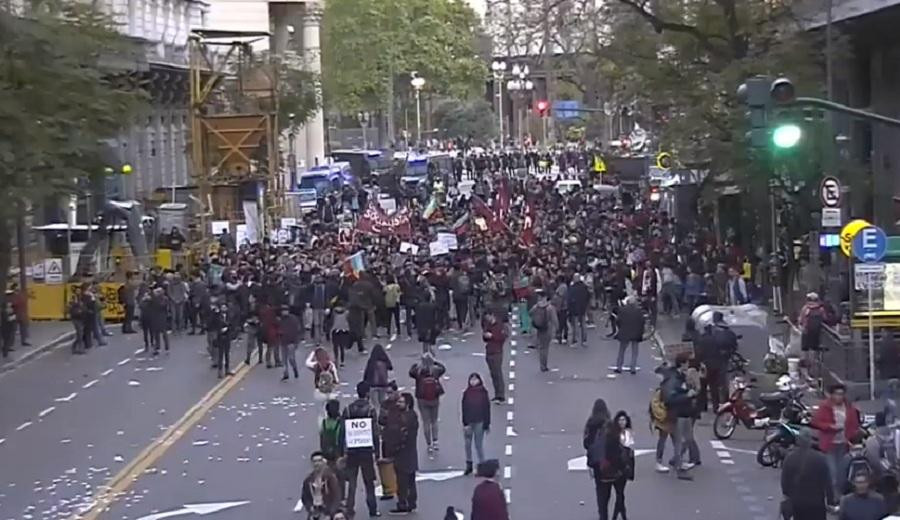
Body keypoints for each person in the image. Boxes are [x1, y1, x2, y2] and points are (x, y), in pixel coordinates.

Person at [812, 383, 861, 498]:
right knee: (832, 473)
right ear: (832, 395)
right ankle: (834, 499)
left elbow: (854, 423)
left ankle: (840, 496)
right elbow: (815, 422)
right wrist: (830, 427)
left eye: (841, 394)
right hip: (829, 445)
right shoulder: (825, 406)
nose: (840, 397)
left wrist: (853, 434)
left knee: (842, 473)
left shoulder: (848, 406)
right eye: (837, 394)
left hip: (844, 444)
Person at [341, 382, 380, 518]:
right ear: (367, 394)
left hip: (352, 451)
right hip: (366, 451)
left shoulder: (348, 409)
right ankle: (372, 509)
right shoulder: (370, 410)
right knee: (369, 482)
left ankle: (349, 509)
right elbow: (375, 433)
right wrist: (377, 452)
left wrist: (343, 451)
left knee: (351, 482)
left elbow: (343, 431)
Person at [583, 398, 626, 520]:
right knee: (618, 492)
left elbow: (586, 444)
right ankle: (620, 513)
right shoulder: (610, 424)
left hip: (597, 464)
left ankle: (603, 516)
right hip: (611, 463)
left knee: (601, 494)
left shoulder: (590, 424)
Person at [781, 428, 834, 520]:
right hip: (816, 503)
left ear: (798, 441)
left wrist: (788, 495)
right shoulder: (820, 458)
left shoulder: (790, 458)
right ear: (810, 441)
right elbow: (828, 482)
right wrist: (830, 501)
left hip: (797, 503)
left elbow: (785, 482)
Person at [662, 353, 698, 480]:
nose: (688, 365)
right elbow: (670, 399)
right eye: (687, 363)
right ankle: (679, 468)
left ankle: (677, 460)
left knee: (688, 439)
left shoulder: (683, 377)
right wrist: (687, 395)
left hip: (686, 413)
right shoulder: (674, 380)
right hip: (678, 414)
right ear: (682, 364)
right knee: (679, 441)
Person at [408, 352, 446, 453]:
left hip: (422, 398)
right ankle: (436, 441)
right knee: (434, 421)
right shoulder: (435, 370)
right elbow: (443, 368)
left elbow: (411, 372)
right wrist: (435, 361)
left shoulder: (418, 371)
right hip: (434, 397)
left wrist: (416, 364)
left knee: (426, 422)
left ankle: (428, 444)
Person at [389, 392, 419, 514]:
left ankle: (403, 503)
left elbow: (401, 434)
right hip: (410, 452)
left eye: (401, 402)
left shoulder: (404, 418)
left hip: (403, 452)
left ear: (407, 404)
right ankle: (411, 502)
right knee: (410, 479)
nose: (398, 404)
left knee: (402, 480)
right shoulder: (412, 415)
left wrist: (395, 447)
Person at [462, 372, 491, 475]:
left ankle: (482, 464)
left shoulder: (483, 393)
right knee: (467, 444)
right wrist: (465, 423)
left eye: (475, 379)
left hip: (480, 422)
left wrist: (487, 424)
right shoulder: (466, 393)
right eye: (472, 379)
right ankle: (469, 464)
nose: (473, 381)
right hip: (469, 422)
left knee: (478, 444)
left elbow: (487, 409)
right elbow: (464, 408)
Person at [301, 451, 342, 520]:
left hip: (328, 510)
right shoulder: (308, 480)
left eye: (319, 461)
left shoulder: (330, 477)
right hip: (315, 510)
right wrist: (310, 507)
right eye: (314, 461)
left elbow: (337, 497)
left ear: (323, 462)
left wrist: (330, 513)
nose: (317, 464)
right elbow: (305, 497)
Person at [611, 410, 635, 520]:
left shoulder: (628, 433)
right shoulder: (613, 434)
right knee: (619, 493)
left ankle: (617, 516)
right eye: (620, 420)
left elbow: (630, 448)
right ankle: (621, 515)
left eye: (624, 420)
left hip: (626, 465)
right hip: (616, 465)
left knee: (620, 492)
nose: (622, 422)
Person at [482, 311, 509, 403]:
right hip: (489, 350)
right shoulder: (488, 325)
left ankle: (500, 395)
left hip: (497, 351)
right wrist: (485, 336)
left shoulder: (500, 325)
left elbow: (503, 337)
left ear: (492, 315)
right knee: (493, 374)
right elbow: (484, 337)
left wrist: (492, 336)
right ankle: (497, 393)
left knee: (497, 373)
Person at [529, 289, 558, 372]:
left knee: (541, 347)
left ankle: (542, 364)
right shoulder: (550, 308)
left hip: (539, 328)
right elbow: (554, 319)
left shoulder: (536, 306)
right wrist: (557, 328)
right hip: (548, 328)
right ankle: (544, 365)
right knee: (545, 347)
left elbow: (530, 313)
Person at [614, 296, 645, 374]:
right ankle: (633, 368)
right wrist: (641, 332)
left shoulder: (622, 310)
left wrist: (620, 329)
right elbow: (642, 322)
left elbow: (618, 321)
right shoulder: (639, 311)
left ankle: (619, 367)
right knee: (635, 351)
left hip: (625, 332)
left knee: (622, 350)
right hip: (636, 333)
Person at [307, 347, 340, 417]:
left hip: (319, 392)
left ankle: (323, 424)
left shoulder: (316, 365)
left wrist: (313, 352)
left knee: (321, 413)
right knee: (331, 411)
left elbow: (307, 363)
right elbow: (336, 380)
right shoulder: (331, 365)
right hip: (331, 392)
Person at [363, 344, 393, 410]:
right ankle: (382, 416)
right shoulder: (384, 361)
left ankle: (377, 415)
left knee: (375, 404)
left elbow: (367, 372)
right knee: (382, 402)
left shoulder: (371, 361)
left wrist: (365, 381)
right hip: (383, 385)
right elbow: (390, 367)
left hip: (373, 385)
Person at [279, 306, 301, 381]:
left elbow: (298, 330)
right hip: (283, 341)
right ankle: (286, 374)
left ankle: (294, 368)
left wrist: (296, 341)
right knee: (284, 359)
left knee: (291, 358)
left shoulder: (293, 319)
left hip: (291, 342)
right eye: (283, 311)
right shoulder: (280, 320)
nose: (284, 312)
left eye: (285, 310)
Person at [331, 303, 351, 367]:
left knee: (335, 347)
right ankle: (342, 361)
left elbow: (331, 321)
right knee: (342, 347)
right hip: (343, 330)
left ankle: (336, 359)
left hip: (335, 330)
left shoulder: (334, 312)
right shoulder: (346, 313)